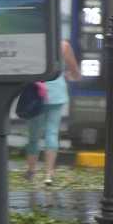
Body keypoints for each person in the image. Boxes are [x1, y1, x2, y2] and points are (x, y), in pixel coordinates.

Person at [25, 40, 81, 185]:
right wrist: (72, 76)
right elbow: (74, 70)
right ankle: (48, 174)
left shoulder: (33, 43)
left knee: (34, 135)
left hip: (35, 94)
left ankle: (31, 171)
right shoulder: (63, 45)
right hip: (56, 93)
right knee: (52, 132)